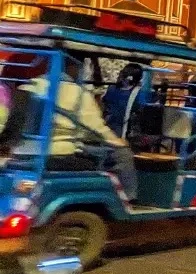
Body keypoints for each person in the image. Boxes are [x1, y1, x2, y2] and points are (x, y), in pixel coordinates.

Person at [16, 59, 138, 199]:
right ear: (73, 67)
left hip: (21, 151)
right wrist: (116, 141)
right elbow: (95, 128)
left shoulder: (27, 87)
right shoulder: (77, 92)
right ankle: (129, 198)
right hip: (57, 152)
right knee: (123, 154)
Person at [101, 63, 143, 138]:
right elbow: (105, 104)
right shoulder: (112, 89)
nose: (120, 77)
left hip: (124, 129)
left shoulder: (137, 93)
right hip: (109, 126)